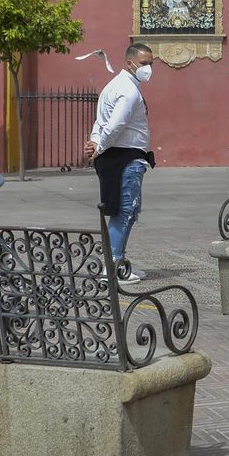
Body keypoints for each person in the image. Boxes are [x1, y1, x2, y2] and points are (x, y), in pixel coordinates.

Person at [85, 43, 155, 285]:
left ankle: (117, 262)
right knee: (125, 211)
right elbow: (115, 124)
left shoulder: (113, 86)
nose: (148, 69)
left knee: (118, 210)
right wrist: (100, 145)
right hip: (125, 157)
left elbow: (100, 122)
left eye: (151, 64)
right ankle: (113, 266)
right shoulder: (128, 91)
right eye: (144, 63)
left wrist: (95, 142)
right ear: (130, 63)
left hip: (116, 156)